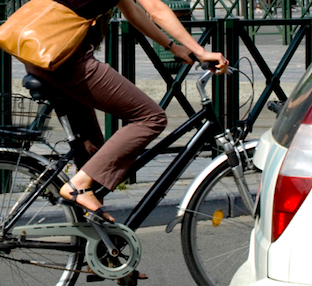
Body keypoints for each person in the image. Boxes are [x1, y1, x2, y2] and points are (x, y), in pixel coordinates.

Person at [23, 0, 229, 225]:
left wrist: (174, 47)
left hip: (42, 53)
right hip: (66, 59)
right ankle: (78, 187)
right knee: (151, 118)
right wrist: (200, 51)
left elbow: (132, 10)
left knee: (93, 157)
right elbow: (155, 9)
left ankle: (94, 244)